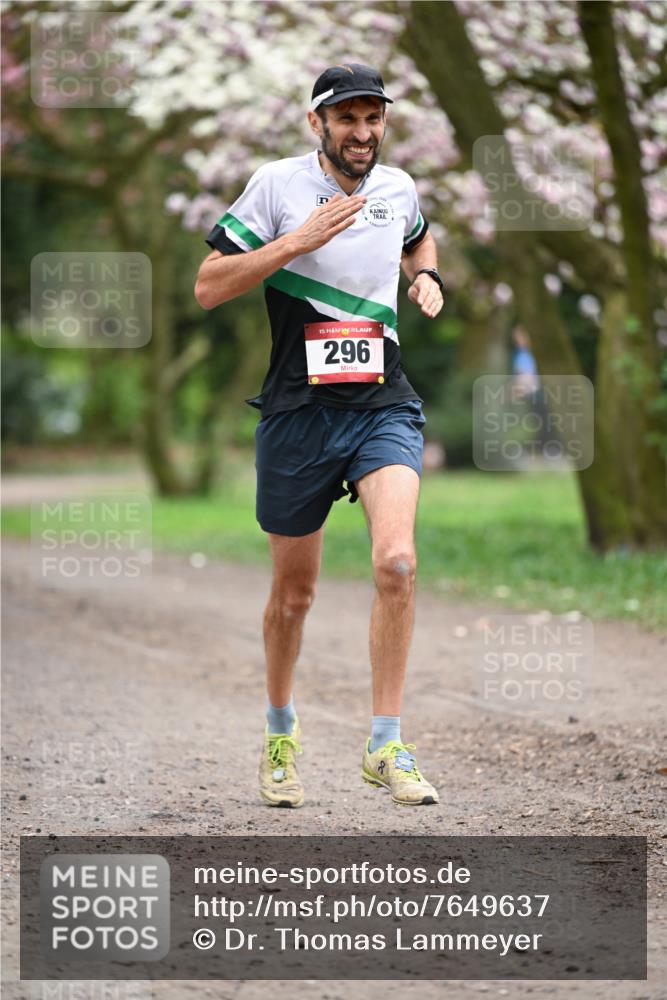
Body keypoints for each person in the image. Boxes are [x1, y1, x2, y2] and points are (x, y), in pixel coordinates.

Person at [195, 64, 444, 808]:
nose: (362, 134)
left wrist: (427, 279)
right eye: (347, 120)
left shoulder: (397, 189)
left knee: (396, 563)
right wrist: (292, 243)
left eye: (373, 119)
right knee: (293, 596)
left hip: (380, 403)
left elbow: (419, 242)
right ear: (318, 124)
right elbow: (208, 286)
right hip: (296, 413)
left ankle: (385, 744)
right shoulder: (275, 185)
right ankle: (279, 734)